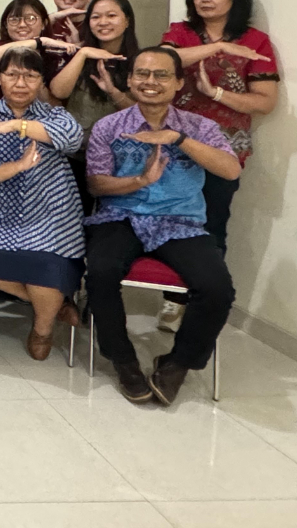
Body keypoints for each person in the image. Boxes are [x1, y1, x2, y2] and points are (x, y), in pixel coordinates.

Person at [84, 47, 241, 406]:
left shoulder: (200, 127)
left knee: (217, 288)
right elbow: (96, 184)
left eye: (160, 75)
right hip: (120, 216)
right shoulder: (110, 127)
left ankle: (177, 363)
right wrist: (139, 180)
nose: (149, 82)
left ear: (178, 83)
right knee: (101, 272)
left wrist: (178, 140)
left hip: (179, 222)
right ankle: (123, 360)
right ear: (130, 79)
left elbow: (231, 170)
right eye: (142, 74)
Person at [157, 0, 278, 332]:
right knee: (171, 219)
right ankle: (173, 298)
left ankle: (203, 303)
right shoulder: (179, 33)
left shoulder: (256, 42)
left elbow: (266, 101)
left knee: (211, 223)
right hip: (172, 143)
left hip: (223, 148)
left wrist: (218, 95)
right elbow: (166, 62)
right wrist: (219, 47)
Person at [0, 48, 86, 360]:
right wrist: (16, 167)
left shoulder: (54, 114)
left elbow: (73, 139)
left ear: (42, 81)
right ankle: (55, 306)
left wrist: (20, 126)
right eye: (12, 74)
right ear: (0, 79)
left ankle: (42, 328)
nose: (21, 82)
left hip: (49, 212)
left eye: (30, 75)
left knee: (48, 264)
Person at [49, 0, 139, 209]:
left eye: (111, 16)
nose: (103, 22)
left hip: (122, 161)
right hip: (76, 157)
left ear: (127, 20)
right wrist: (82, 54)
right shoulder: (80, 56)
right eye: (96, 17)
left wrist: (113, 91)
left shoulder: (139, 61)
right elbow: (59, 91)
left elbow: (141, 112)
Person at [0, 0, 75, 107]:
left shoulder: (54, 55)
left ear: (44, 23)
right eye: (14, 19)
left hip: (40, 120)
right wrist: (39, 41)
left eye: (31, 18)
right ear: (6, 24)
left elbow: (55, 105)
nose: (22, 25)